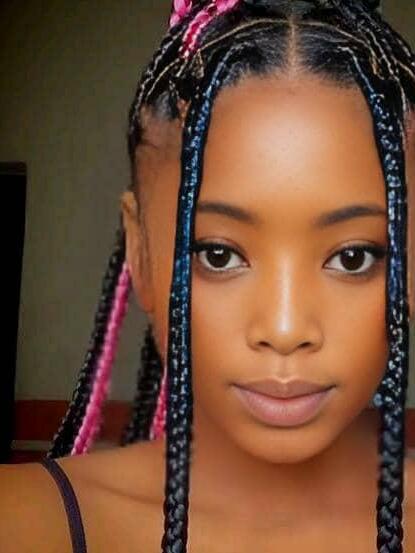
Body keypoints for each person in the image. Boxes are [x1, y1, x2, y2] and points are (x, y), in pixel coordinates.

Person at [1, 0, 415, 551]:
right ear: (140, 252)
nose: (285, 329)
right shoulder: (22, 522)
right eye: (218, 255)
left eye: (353, 257)